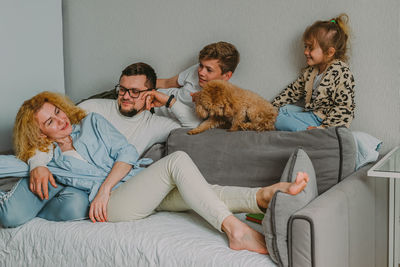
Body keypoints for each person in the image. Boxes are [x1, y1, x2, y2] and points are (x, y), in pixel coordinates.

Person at [0, 91, 310, 255]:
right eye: (49, 122)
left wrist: (107, 186)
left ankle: (262, 196)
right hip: (112, 207)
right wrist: (36, 161)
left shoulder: (92, 123)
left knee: (196, 192)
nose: (60, 120)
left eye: (57, 112)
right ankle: (235, 231)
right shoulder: (47, 158)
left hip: (128, 187)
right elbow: (8, 164)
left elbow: (126, 153)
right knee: (177, 162)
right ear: (37, 132)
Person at [24, 62, 198, 224]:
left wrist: (168, 101)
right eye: (122, 90)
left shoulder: (155, 124)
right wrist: (37, 164)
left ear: (150, 93)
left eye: (135, 91)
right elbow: (50, 132)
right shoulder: (93, 108)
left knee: (208, 193)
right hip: (91, 188)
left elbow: (194, 126)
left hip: (129, 186)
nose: (126, 97)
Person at [271, 14, 355, 132]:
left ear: (329, 52)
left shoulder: (340, 71)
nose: (305, 52)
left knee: (276, 119)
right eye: (306, 47)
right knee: (281, 110)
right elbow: (292, 91)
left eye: (310, 48)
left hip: (323, 121)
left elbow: (344, 107)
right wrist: (270, 108)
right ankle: (307, 132)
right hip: (312, 114)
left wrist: (324, 128)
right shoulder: (311, 72)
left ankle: (316, 134)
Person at [152, 41, 240, 126]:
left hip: (159, 119)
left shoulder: (224, 102)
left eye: (209, 70)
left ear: (226, 76)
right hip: (150, 98)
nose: (201, 72)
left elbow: (194, 123)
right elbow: (166, 83)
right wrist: (141, 85)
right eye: (201, 65)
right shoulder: (197, 70)